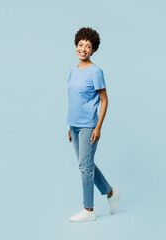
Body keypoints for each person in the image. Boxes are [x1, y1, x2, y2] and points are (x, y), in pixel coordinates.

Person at [67, 27, 122, 222]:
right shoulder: (73, 71)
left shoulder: (96, 71)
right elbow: (74, 99)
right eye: (81, 45)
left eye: (88, 46)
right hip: (74, 124)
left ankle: (88, 209)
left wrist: (98, 126)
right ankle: (110, 193)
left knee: (85, 167)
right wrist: (70, 126)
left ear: (93, 50)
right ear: (76, 46)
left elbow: (104, 100)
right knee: (86, 165)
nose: (83, 48)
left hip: (89, 125)